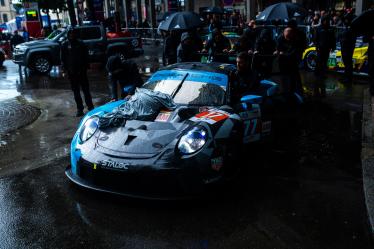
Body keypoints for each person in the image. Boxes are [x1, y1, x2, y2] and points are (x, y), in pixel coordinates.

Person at [61, 28, 94, 117]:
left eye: (73, 33)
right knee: (76, 92)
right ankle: (80, 109)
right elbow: (63, 59)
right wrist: (64, 70)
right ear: (68, 35)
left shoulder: (81, 44)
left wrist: (87, 67)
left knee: (86, 91)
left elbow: (86, 56)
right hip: (72, 73)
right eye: (70, 34)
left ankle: (90, 107)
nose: (72, 35)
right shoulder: (65, 45)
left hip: (82, 72)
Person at [339, 13, 356, 84]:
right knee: (346, 64)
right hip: (345, 48)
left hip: (347, 49)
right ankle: (346, 77)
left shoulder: (351, 29)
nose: (345, 21)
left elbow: (350, 40)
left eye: (346, 19)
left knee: (348, 64)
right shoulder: (348, 27)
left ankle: (348, 79)